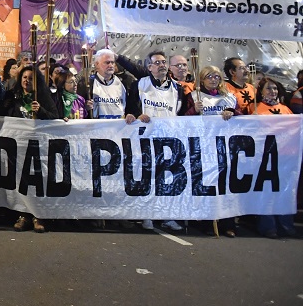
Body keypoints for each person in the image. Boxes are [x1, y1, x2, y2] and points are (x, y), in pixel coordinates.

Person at [132, 51, 185, 232]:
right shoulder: (140, 84)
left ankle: (168, 215)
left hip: (169, 138)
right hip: (146, 138)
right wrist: (138, 115)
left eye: (164, 62)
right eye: (157, 63)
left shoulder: (177, 88)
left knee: (167, 177)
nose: (161, 65)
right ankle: (147, 214)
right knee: (148, 176)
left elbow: (181, 112)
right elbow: (131, 109)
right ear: (149, 67)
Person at [185, 65, 238, 236]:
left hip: (224, 147)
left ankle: (227, 223)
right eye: (209, 76)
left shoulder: (229, 98)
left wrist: (233, 112)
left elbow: (243, 118)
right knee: (206, 184)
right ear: (202, 79)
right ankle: (206, 222)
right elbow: (181, 120)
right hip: (203, 147)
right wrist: (194, 110)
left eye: (216, 76)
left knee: (225, 185)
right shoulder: (194, 96)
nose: (213, 79)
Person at [1, 64, 52, 233]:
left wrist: (42, 111)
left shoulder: (43, 97)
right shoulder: (13, 96)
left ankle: (38, 215)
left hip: (38, 146)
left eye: (31, 78)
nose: (26, 81)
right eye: (24, 78)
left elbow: (55, 117)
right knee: (20, 182)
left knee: (37, 181)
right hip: (18, 146)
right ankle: (23, 215)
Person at [253, 79, 296, 239]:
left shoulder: (286, 109)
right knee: (267, 192)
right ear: (261, 91)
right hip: (265, 156)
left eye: (275, 88)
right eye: (268, 88)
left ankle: (286, 225)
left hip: (286, 156)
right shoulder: (256, 108)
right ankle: (267, 226)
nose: (273, 91)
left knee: (285, 191)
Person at [86, 49, 141, 122]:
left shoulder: (125, 82)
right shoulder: (88, 83)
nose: (111, 65)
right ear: (97, 64)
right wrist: (85, 107)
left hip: (119, 129)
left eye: (112, 62)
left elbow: (132, 107)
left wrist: (132, 115)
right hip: (96, 129)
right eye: (107, 62)